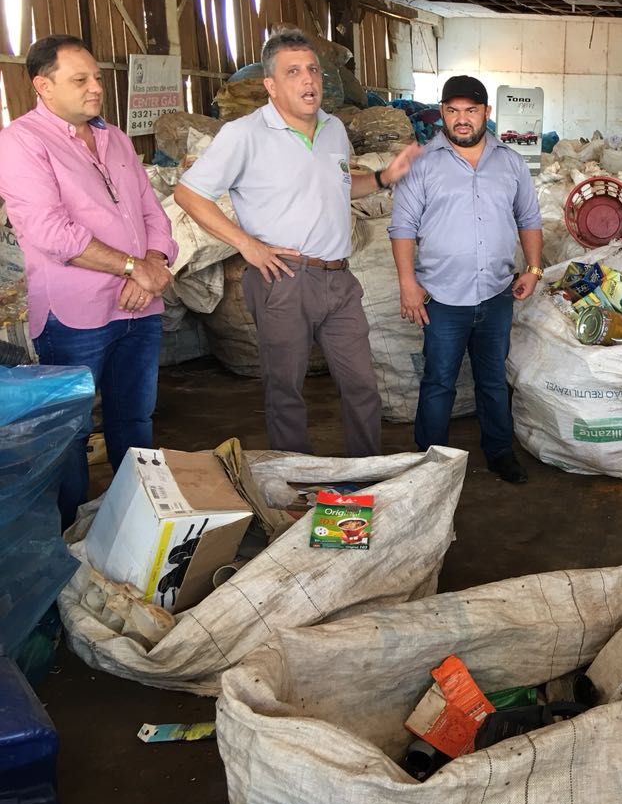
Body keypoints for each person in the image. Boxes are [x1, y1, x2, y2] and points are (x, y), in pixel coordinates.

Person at [176, 28, 419, 458]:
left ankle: (365, 471)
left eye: (313, 70)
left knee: (362, 385)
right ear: (270, 85)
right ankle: (296, 479)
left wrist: (384, 177)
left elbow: (339, 186)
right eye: (293, 72)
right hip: (283, 279)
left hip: (338, 279)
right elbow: (188, 194)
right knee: (286, 391)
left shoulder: (333, 128)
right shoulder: (244, 134)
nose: (309, 80)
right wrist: (246, 244)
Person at [0, 34, 176, 529]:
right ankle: (66, 537)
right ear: (43, 86)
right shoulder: (21, 142)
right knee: (70, 431)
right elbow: (51, 232)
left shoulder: (114, 137)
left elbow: (152, 212)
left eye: (97, 77)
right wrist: (133, 267)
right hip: (75, 315)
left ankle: (139, 527)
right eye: (80, 80)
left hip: (140, 306)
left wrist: (153, 263)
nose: (96, 87)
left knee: (134, 420)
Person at [389, 75, 542, 484]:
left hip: (496, 294)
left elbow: (528, 217)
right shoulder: (423, 163)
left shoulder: (510, 162)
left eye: (471, 110)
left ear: (486, 113)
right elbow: (402, 227)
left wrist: (533, 268)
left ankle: (499, 453)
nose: (462, 119)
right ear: (441, 112)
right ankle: (430, 463)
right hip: (441, 298)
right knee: (439, 381)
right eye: (453, 110)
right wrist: (407, 284)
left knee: (492, 381)